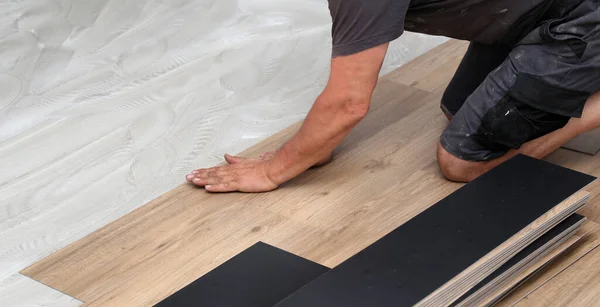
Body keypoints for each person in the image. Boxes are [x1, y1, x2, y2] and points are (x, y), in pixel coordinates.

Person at [187, 0, 600, 192]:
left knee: (463, 160)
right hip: (534, 9)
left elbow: (350, 102)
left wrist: (274, 169)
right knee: (458, 108)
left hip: (584, 15)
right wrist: (314, 147)